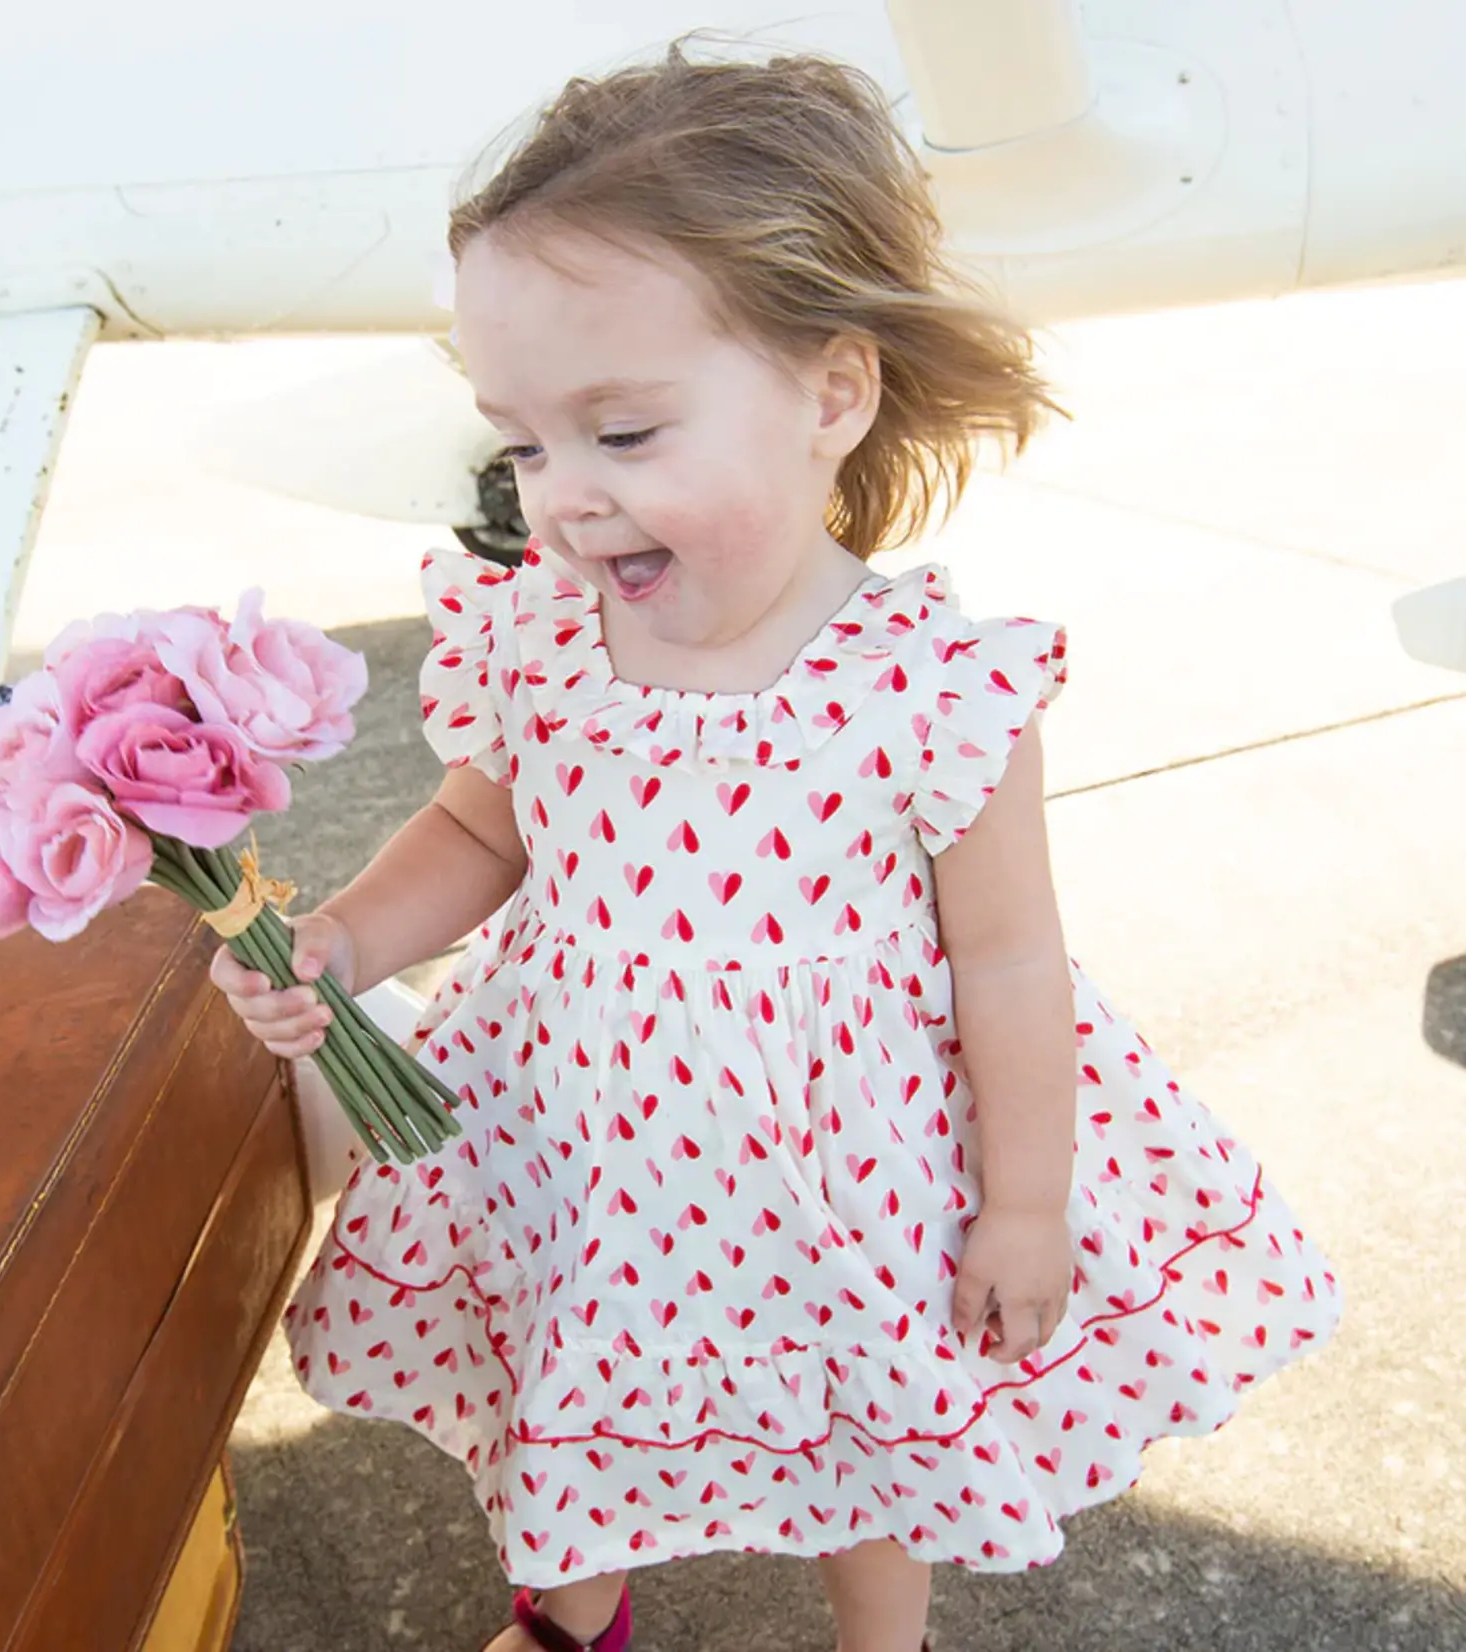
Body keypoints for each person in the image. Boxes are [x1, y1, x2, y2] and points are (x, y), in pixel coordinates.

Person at [210, 42, 1341, 1652]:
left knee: (875, 1433)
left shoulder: (936, 688)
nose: (566, 504)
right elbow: (482, 826)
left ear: (832, 393)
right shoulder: (543, 641)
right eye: (525, 445)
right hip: (577, 1144)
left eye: (621, 431)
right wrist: (344, 940)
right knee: (561, 1379)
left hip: (848, 1169)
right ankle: (564, 1615)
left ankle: (881, 1636)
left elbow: (1010, 960)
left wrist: (1025, 1204)